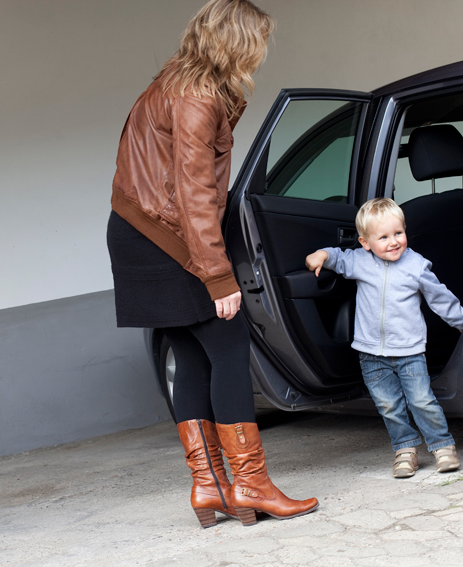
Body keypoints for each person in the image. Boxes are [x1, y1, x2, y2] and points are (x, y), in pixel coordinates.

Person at [107, 0, 318, 527]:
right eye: (258, 42)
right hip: (171, 238)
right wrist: (217, 275)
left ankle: (209, 487)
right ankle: (250, 484)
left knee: (192, 354)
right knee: (228, 345)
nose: (262, 53)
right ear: (237, 42)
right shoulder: (198, 98)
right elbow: (194, 193)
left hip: (138, 230)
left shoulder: (172, 82)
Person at [305, 198, 463, 478]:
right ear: (366, 243)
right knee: (389, 405)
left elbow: (440, 297)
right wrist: (322, 255)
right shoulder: (360, 262)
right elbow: (340, 257)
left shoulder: (416, 266)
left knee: (421, 400)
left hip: (409, 350)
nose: (393, 242)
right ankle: (405, 449)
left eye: (398, 234)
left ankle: (442, 445)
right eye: (384, 237)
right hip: (371, 354)